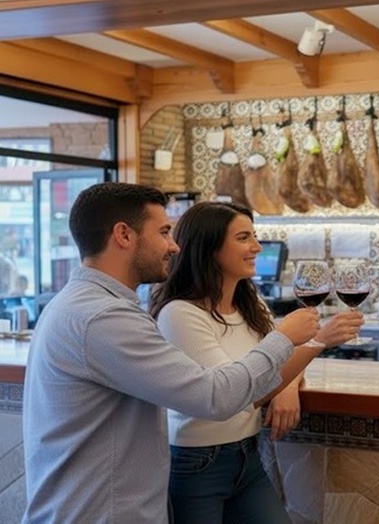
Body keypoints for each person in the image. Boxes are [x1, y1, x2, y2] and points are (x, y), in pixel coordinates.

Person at [22, 183, 321, 523]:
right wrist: (283, 339)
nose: (174, 245)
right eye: (163, 231)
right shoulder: (106, 318)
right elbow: (214, 397)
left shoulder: (79, 304)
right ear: (123, 235)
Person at [150, 201, 364, 523]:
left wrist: (288, 386)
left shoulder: (251, 305)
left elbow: (274, 364)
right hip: (197, 464)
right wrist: (318, 342)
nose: (257, 247)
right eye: (243, 238)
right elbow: (237, 396)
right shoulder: (180, 315)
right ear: (209, 248)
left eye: (255, 236)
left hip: (247, 456)